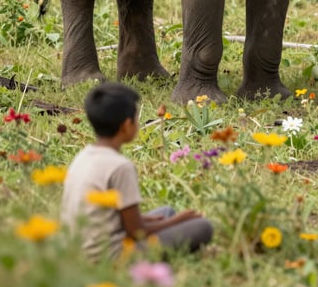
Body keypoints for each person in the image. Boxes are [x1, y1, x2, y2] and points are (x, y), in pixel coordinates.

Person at [61, 82, 213, 260]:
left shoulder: (84, 155)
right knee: (202, 226)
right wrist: (180, 220)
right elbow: (136, 231)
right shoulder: (120, 167)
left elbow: (120, 218)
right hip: (109, 255)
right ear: (126, 125)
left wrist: (161, 220)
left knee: (165, 212)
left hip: (79, 246)